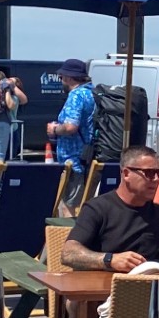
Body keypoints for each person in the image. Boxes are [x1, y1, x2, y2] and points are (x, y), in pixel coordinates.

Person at [62, 144, 159, 272]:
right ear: (126, 174)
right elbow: (68, 253)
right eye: (149, 173)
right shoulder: (97, 208)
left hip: (146, 292)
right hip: (100, 293)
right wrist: (110, 259)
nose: (156, 179)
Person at [48, 58, 95, 215]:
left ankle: (70, 239)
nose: (61, 80)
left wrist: (54, 129)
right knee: (86, 206)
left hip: (73, 159)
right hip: (88, 156)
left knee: (69, 207)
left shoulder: (76, 96)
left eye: (61, 77)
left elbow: (70, 127)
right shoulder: (91, 93)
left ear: (68, 77)